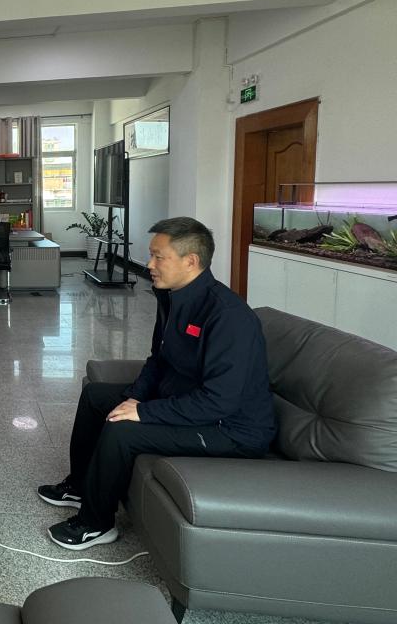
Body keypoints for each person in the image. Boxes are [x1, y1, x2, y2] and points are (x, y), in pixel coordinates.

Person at [38, 217, 276, 550]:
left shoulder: (228, 316)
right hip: (186, 400)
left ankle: (96, 524)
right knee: (95, 396)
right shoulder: (172, 299)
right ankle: (79, 486)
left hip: (230, 428)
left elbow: (219, 401)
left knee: (123, 429)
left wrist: (144, 413)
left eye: (158, 257)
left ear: (190, 261)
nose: (149, 265)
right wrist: (134, 397)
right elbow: (157, 360)